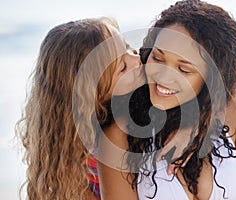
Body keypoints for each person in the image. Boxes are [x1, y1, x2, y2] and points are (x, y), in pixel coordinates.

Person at [123, 0, 236, 199]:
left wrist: (201, 120)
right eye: (157, 58)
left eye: (184, 69)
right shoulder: (124, 129)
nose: (164, 76)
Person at [15, 17, 145, 200]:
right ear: (94, 94)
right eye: (123, 67)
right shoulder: (83, 163)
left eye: (128, 47)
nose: (137, 59)